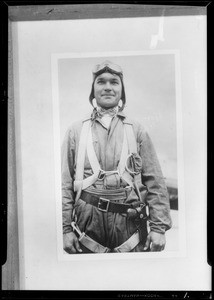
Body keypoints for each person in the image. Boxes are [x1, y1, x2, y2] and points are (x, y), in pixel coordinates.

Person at [61, 60, 172, 254]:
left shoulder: (137, 131)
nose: (107, 87)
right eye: (101, 82)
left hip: (131, 234)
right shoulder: (75, 131)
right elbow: (65, 185)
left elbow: (155, 182)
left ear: (122, 90)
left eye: (114, 82)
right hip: (86, 234)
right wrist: (65, 229)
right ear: (93, 89)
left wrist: (158, 228)